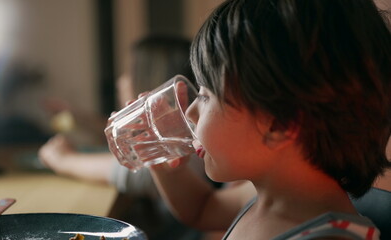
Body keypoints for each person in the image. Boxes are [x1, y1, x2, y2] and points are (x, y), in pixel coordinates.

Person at [141, 0, 391, 239]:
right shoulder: (272, 194)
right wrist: (164, 164)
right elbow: (202, 208)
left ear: (279, 124)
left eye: (206, 95)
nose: (189, 112)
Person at [38, 35, 215, 240]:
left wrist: (64, 160)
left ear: (149, 76)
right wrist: (77, 115)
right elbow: (120, 138)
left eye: (128, 72)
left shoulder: (190, 137)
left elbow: (139, 174)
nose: (120, 80)